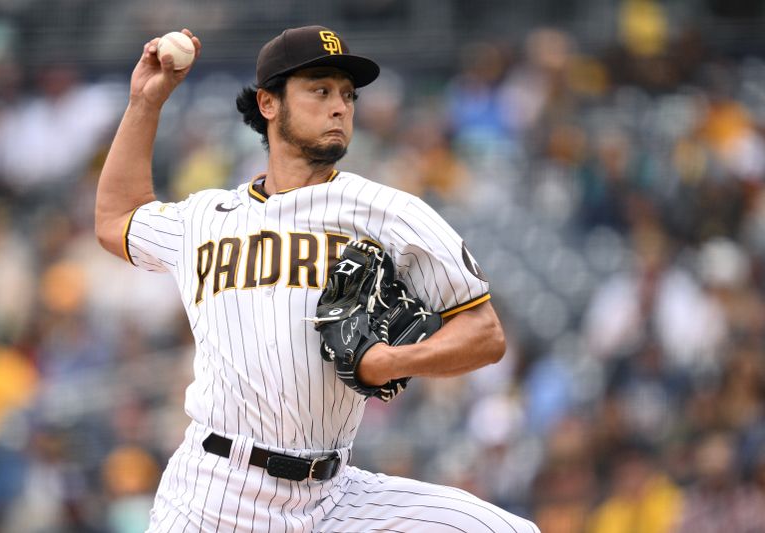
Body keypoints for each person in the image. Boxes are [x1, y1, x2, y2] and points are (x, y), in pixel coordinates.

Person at [95, 25, 540, 532]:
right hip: (212, 491)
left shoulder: (388, 212)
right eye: (320, 90)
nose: (340, 107)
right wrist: (144, 103)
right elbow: (115, 221)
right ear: (268, 103)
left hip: (333, 496)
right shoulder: (205, 217)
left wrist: (390, 361)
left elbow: (485, 334)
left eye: (348, 95)